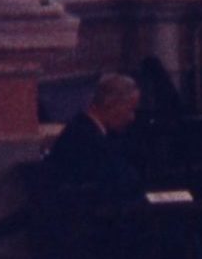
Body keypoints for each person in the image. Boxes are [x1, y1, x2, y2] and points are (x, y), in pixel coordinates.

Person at [45, 73, 144, 201]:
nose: (132, 118)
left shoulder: (85, 129)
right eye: (130, 109)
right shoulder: (85, 137)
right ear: (112, 105)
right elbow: (121, 181)